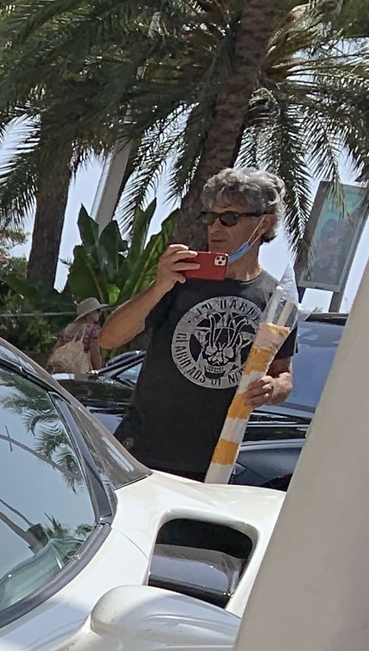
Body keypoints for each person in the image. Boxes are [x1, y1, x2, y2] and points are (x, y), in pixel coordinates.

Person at [97, 168, 297, 479]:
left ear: (264, 223)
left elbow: (283, 374)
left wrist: (273, 388)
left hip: (213, 466)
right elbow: (108, 339)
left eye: (229, 218)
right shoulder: (180, 278)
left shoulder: (278, 300)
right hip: (139, 453)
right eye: (210, 217)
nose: (215, 227)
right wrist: (159, 285)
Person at [46, 298, 106, 377]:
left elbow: (56, 350)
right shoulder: (93, 330)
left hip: (61, 372)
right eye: (98, 310)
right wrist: (99, 372)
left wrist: (47, 369)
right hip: (79, 374)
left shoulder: (67, 329)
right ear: (90, 313)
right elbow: (95, 354)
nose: (100, 313)